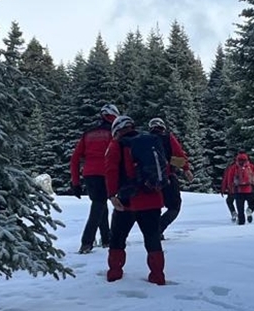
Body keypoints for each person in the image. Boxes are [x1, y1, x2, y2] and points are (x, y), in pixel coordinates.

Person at [104, 115, 167, 285]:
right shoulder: (149, 142)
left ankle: (115, 273)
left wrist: (112, 195)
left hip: (128, 200)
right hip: (152, 197)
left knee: (117, 236)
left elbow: (110, 170)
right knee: (152, 237)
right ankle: (157, 275)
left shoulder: (118, 145)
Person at [69, 103, 119, 254]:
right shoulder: (113, 133)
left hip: (89, 174)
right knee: (98, 205)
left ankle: (106, 239)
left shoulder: (88, 133)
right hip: (106, 173)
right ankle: (87, 242)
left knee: (100, 203)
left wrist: (75, 182)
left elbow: (75, 158)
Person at [148, 117, 191, 237]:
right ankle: (158, 229)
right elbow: (179, 154)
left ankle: (154, 230)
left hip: (149, 180)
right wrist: (186, 169)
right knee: (174, 206)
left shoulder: (144, 139)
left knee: (154, 207)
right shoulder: (168, 138)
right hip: (167, 177)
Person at [221, 151, 254, 225]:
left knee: (240, 210)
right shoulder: (251, 166)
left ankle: (241, 224)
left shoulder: (233, 167)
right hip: (249, 190)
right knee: (251, 204)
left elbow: (229, 179)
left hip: (238, 191)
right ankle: (249, 210)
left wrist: (228, 189)